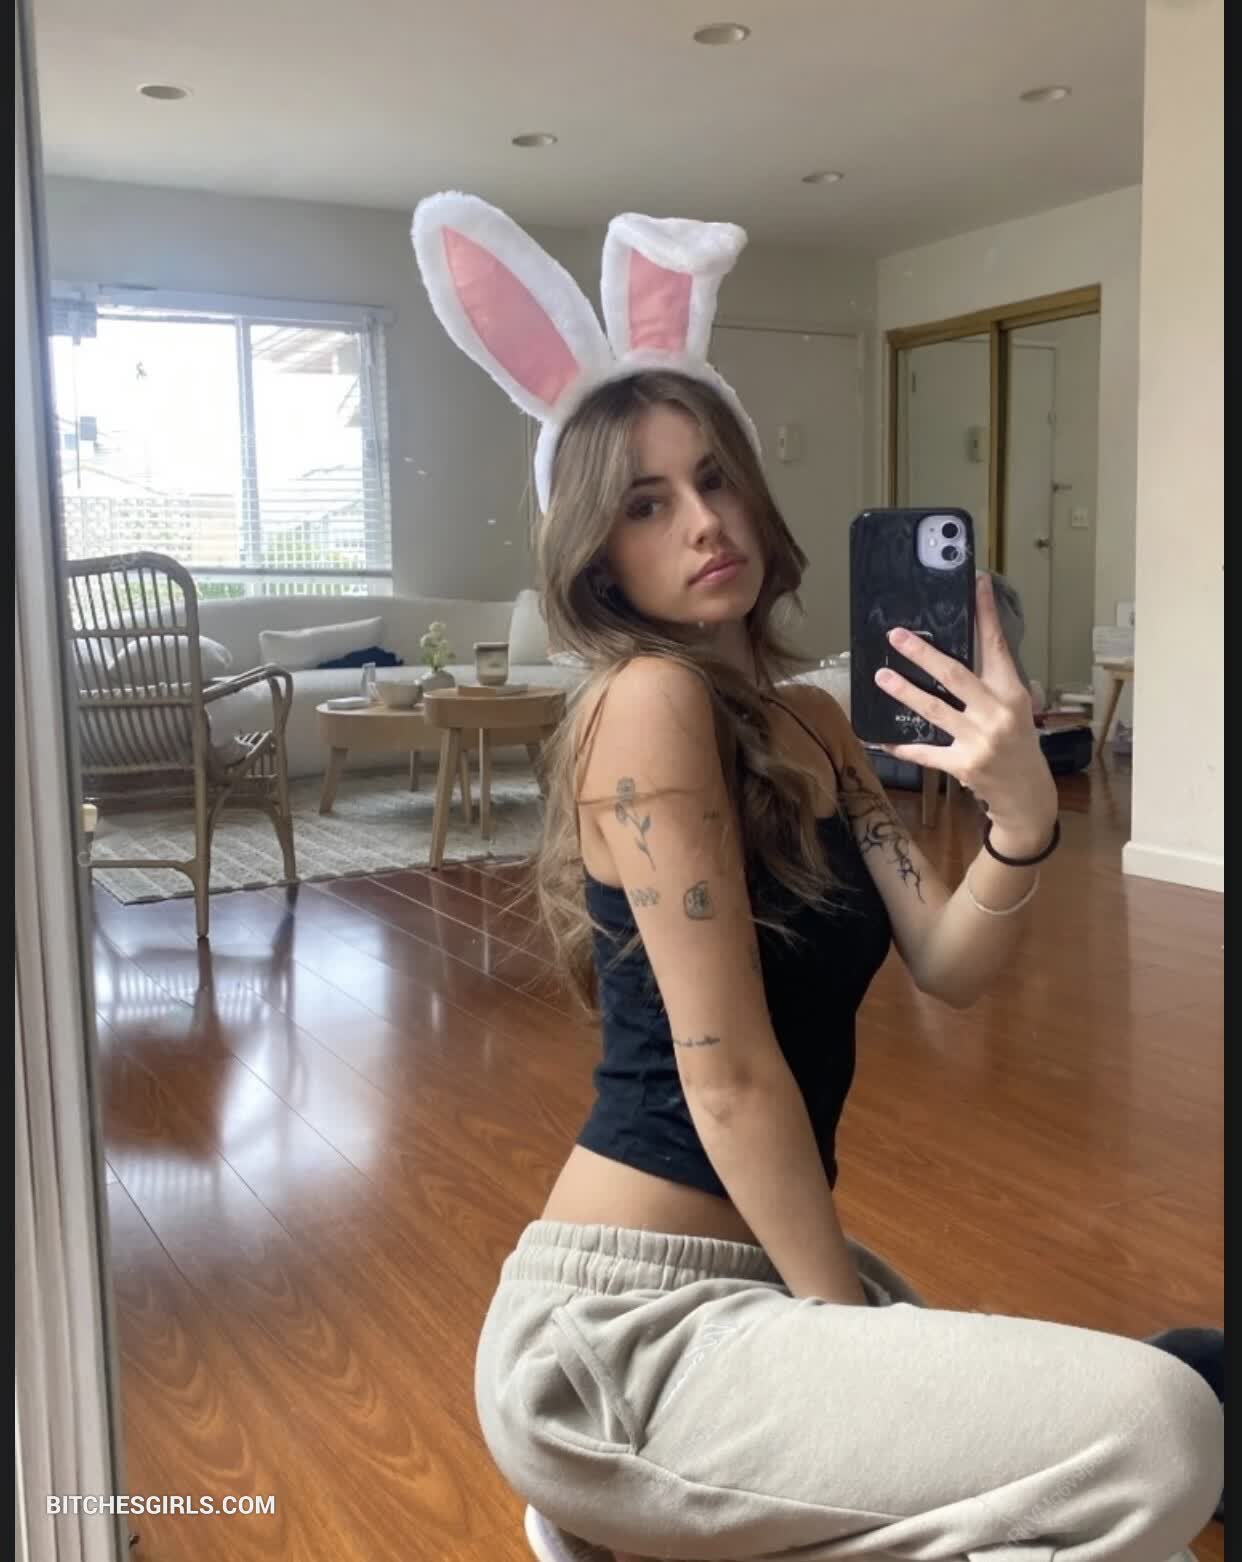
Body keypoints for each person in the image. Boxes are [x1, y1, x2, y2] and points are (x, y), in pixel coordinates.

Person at [412, 194, 1223, 1562]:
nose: (702, 522)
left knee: (1196, 1373)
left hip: (761, 1285)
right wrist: (842, 1332)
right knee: (1163, 1429)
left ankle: (680, 1529)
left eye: (714, 478)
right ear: (595, 549)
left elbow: (950, 968)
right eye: (646, 504)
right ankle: (646, 1501)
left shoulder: (815, 724)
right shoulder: (646, 703)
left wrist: (1022, 816)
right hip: (630, 1331)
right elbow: (728, 1079)